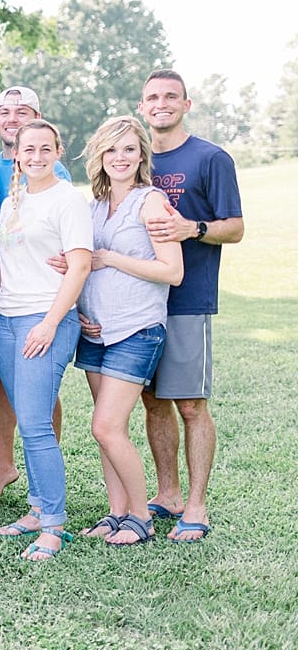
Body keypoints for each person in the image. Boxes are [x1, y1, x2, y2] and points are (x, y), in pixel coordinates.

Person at [138, 69, 243, 542]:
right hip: (140, 302)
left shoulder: (211, 158)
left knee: (191, 406)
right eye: (152, 97)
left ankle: (196, 505)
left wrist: (192, 229)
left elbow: (235, 227)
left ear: (187, 103)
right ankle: (167, 494)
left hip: (188, 299)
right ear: (142, 107)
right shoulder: (134, 159)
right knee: (152, 401)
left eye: (170, 96)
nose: (161, 103)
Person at [73, 116, 183, 546]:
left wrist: (112, 258)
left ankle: (142, 517)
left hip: (136, 329)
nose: (120, 158)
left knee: (106, 426)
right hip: (95, 330)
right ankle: (116, 512)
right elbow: (84, 264)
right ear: (100, 155)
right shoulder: (93, 207)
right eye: (112, 150)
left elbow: (172, 271)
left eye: (129, 150)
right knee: (105, 430)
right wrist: (79, 310)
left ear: (141, 156)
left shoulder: (151, 203)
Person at [0, 120, 91, 560]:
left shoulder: (68, 199)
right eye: (27, 149)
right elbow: (7, 265)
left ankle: (52, 525)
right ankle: (34, 508)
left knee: (35, 424)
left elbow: (81, 266)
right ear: (16, 154)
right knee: (25, 419)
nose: (35, 156)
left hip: (45, 318)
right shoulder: (14, 200)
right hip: (9, 319)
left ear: (57, 151)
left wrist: (50, 323)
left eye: (44, 148)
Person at [0, 86, 71, 501]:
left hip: (41, 300)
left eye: (22, 112)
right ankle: (4, 466)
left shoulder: (54, 172)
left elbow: (71, 243)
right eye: (4, 112)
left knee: (42, 392)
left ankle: (43, 467)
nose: (11, 119)